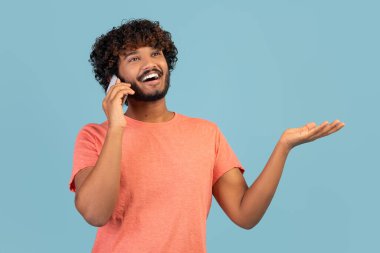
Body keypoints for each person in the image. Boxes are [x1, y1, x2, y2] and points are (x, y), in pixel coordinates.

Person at [69, 19, 345, 253]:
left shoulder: (205, 133)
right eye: (134, 58)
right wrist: (116, 127)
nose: (150, 63)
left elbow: (244, 214)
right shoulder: (95, 136)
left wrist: (283, 147)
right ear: (114, 78)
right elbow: (95, 213)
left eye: (156, 53)